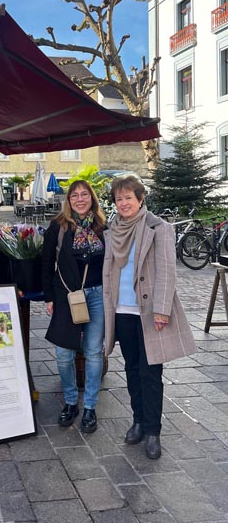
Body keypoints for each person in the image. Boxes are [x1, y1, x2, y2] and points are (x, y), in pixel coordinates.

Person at [103, 175, 196, 459]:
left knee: (151, 372)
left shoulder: (159, 228)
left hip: (149, 312)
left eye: (128, 197)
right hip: (122, 312)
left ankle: (153, 431)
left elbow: (168, 272)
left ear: (140, 199)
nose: (123, 203)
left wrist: (161, 310)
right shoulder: (113, 229)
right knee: (131, 370)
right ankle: (139, 421)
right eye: (119, 199)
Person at [42, 180, 106, 433]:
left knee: (92, 352)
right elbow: (46, 263)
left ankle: (90, 406)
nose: (80, 199)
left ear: (92, 198)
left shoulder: (103, 227)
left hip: (98, 295)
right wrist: (49, 297)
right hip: (67, 296)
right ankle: (71, 401)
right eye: (74, 196)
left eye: (84, 195)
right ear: (68, 200)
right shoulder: (58, 227)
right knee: (63, 354)